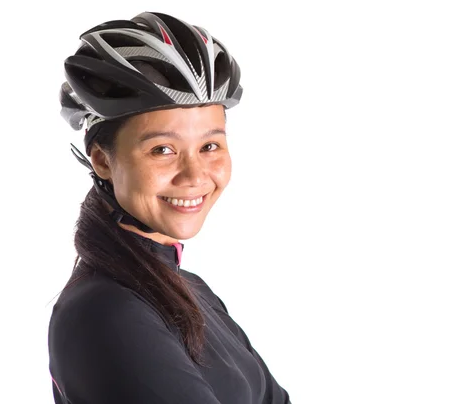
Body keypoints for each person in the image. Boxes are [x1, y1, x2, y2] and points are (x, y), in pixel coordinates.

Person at [47, 11, 291, 404]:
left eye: (210, 146)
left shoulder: (188, 290)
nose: (194, 174)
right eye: (162, 149)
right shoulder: (106, 314)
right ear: (103, 161)